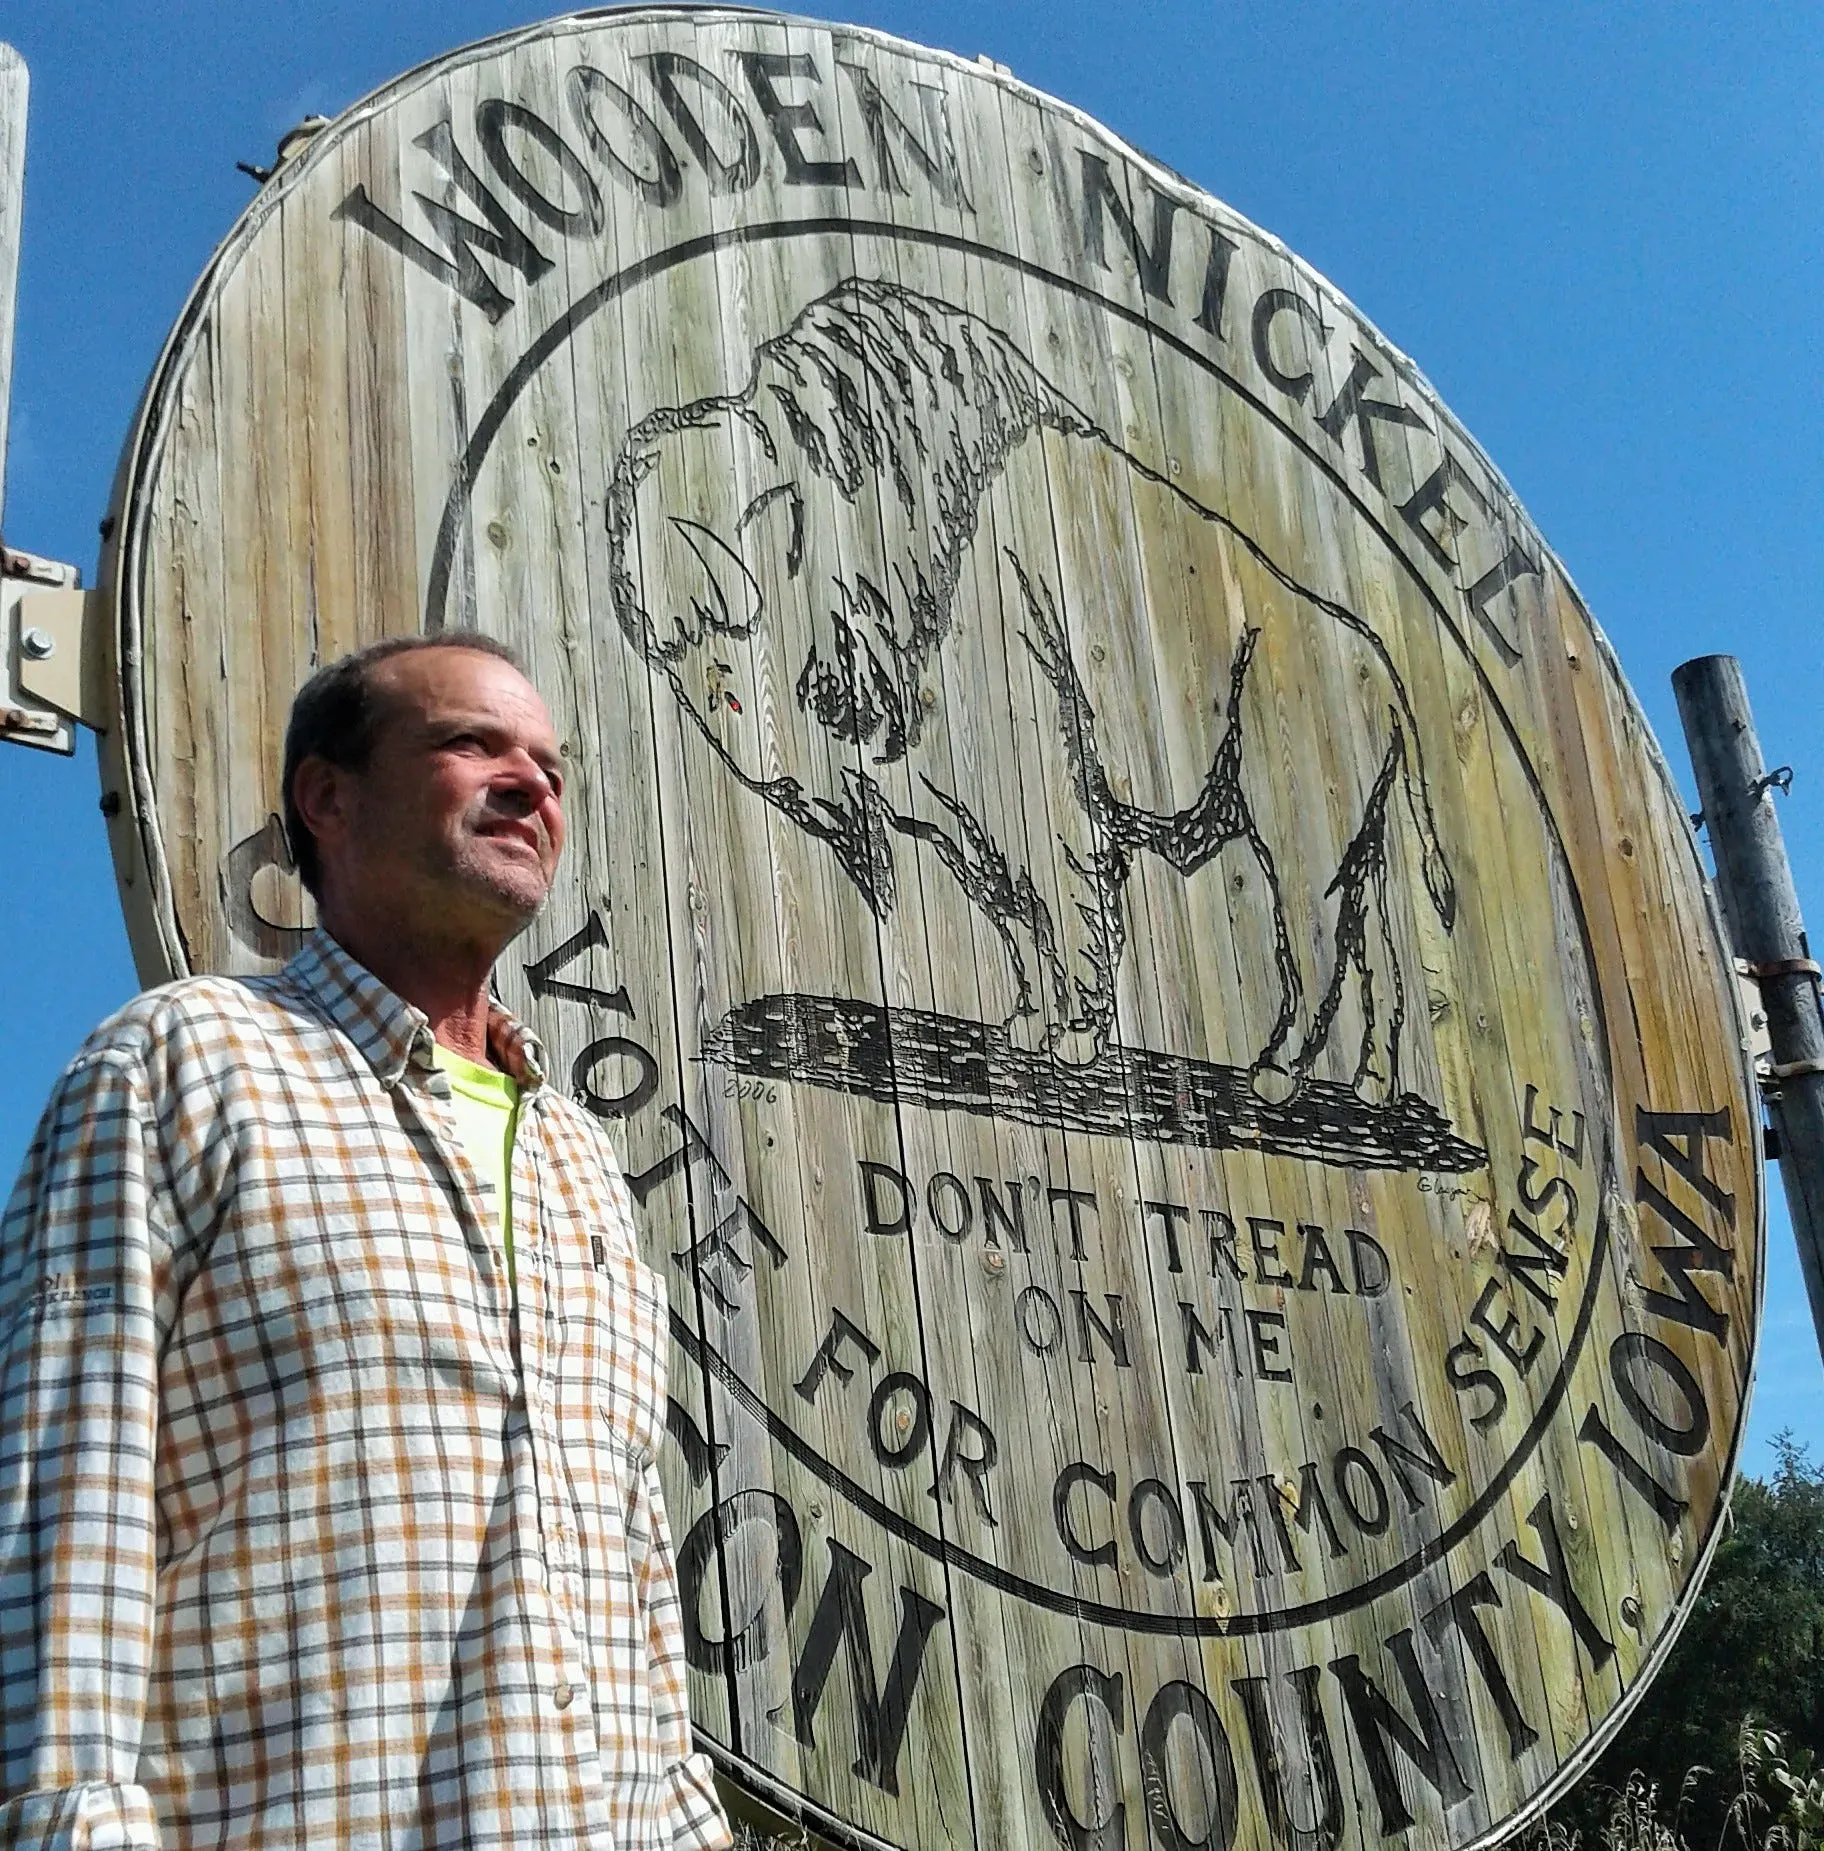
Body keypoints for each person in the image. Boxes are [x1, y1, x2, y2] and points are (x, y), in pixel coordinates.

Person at [0, 635, 733, 1851]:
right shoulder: (182, 1064)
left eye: (551, 765)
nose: (531, 784)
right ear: (327, 798)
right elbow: (60, 1509)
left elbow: (635, 1572)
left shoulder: (582, 1160)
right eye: (471, 744)